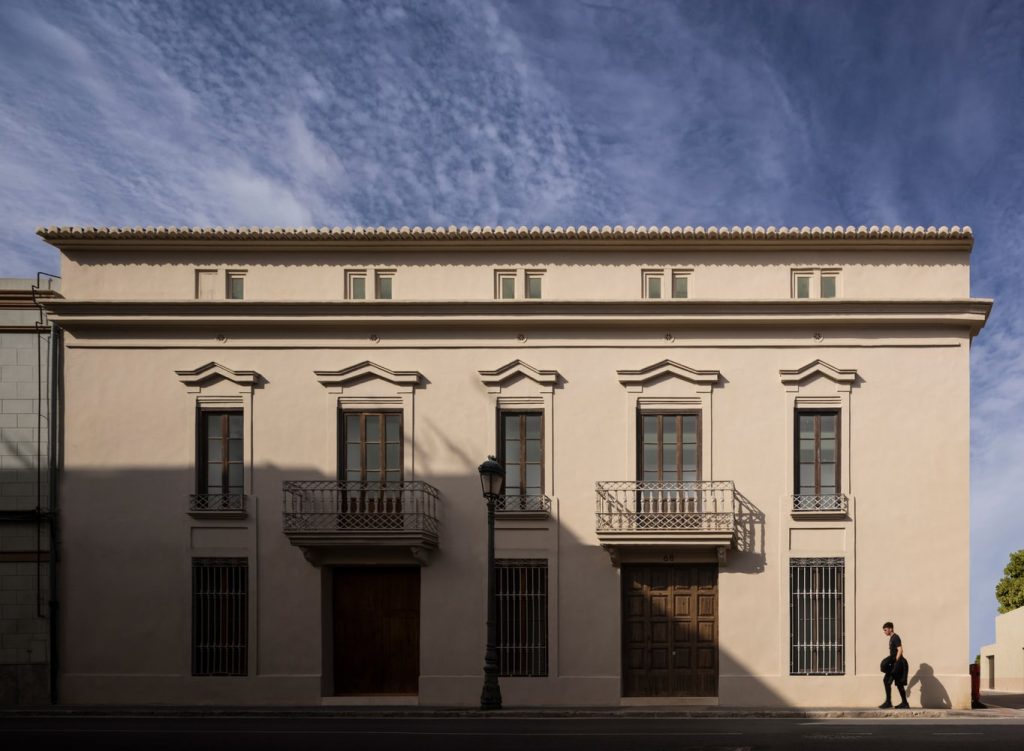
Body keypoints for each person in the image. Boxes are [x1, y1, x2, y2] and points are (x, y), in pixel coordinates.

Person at [880, 621, 909, 708]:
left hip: (898, 663)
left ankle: (900, 703)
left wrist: (896, 662)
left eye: (885, 630)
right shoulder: (892, 638)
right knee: (888, 681)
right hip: (895, 663)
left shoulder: (895, 637)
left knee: (896, 682)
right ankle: (900, 703)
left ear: (890, 629)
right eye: (884, 630)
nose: (884, 632)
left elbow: (900, 650)